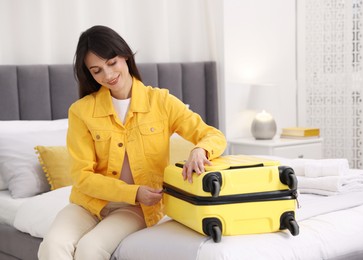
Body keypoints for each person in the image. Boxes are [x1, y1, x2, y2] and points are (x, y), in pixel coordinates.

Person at [37, 25, 226, 260]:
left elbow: (214, 135)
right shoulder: (81, 111)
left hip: (135, 208)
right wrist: (134, 192)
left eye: (112, 62)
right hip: (87, 204)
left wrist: (200, 149)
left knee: (90, 248)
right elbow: (82, 177)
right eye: (97, 70)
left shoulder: (161, 102)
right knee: (52, 245)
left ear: (125, 55)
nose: (107, 75)